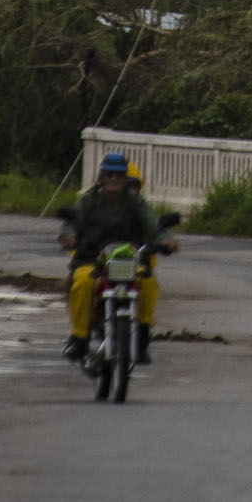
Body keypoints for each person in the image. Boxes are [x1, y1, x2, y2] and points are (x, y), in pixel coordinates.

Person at [66, 151, 170, 360]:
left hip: (128, 261)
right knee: (83, 283)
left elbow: (153, 225)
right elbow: (72, 225)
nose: (114, 180)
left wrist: (165, 239)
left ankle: (142, 335)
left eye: (120, 177)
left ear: (126, 180)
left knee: (148, 283)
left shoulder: (136, 203)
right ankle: (80, 337)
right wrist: (69, 237)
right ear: (101, 177)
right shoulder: (88, 201)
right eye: (109, 175)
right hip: (93, 260)